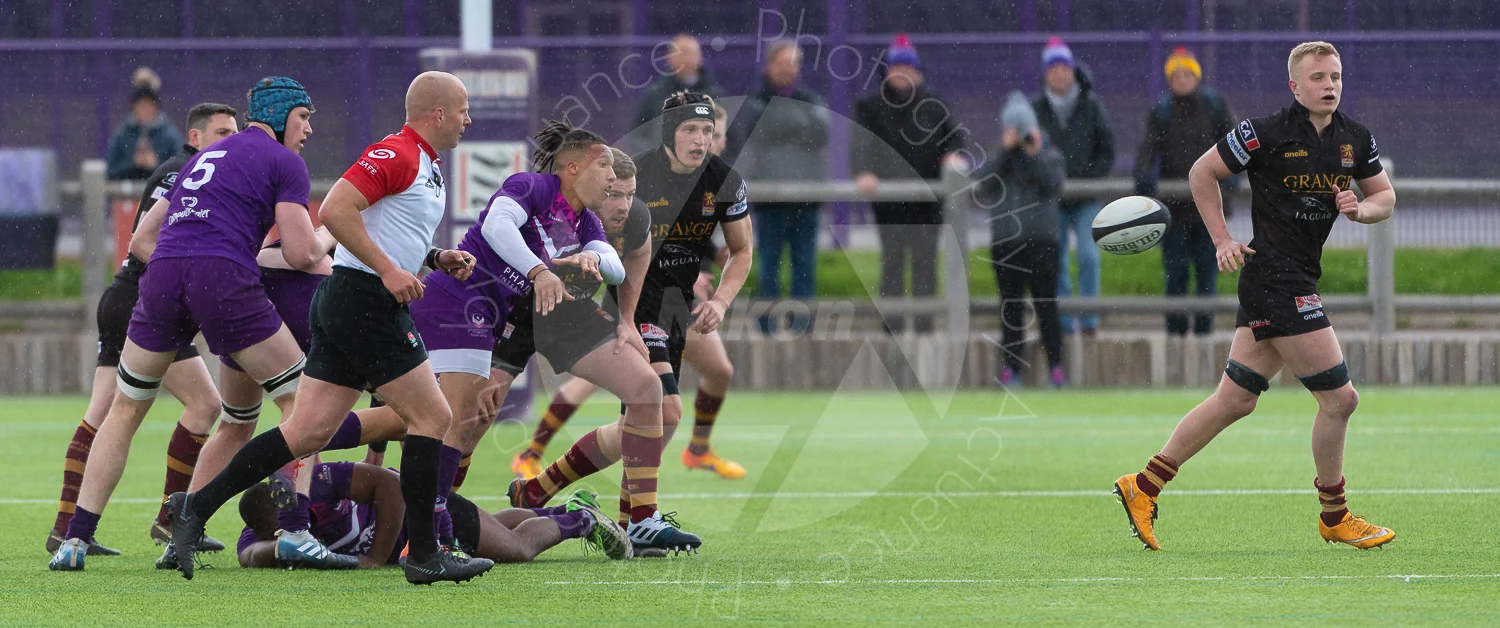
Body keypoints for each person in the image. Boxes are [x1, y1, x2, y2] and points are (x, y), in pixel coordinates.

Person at [163, 72, 492, 585]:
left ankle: (194, 509)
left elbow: (383, 223)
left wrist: (433, 257)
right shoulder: (397, 152)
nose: (469, 119)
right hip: (364, 302)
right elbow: (337, 210)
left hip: (350, 301)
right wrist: (387, 270)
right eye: (464, 109)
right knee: (433, 415)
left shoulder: (426, 164)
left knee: (306, 431)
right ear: (438, 114)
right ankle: (425, 554)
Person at [1113, 41, 1396, 551]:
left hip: (1290, 279)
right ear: (1294, 85)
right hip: (1276, 280)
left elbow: (1385, 197)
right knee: (1340, 400)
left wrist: (1361, 211)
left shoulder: (1355, 138)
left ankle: (1144, 485)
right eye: (1317, 77)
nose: (1329, 85)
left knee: (1235, 399)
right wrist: (1222, 239)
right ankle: (1335, 515)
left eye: (1335, 76)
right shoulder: (1263, 132)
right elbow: (1202, 173)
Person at [50, 78, 328, 573]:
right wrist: (331, 237)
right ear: (283, 115)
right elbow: (302, 252)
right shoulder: (286, 163)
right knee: (302, 404)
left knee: (128, 409)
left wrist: (189, 264)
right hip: (222, 278)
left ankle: (75, 540)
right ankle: (295, 530)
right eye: (304, 117)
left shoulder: (201, 158)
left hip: (161, 278)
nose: (309, 129)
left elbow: (142, 238)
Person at [403, 120, 684, 556]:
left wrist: (606, 279)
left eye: (625, 188)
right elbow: (497, 227)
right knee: (471, 419)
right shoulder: (532, 187)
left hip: (562, 310)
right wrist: (540, 271)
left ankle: (643, 520)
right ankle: (435, 522)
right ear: (573, 168)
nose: (618, 191)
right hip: (499, 310)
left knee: (648, 390)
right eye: (606, 172)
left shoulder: (594, 221)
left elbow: (621, 266)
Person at [507, 91, 753, 537]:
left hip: (678, 307)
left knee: (639, 423)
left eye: (708, 131)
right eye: (690, 130)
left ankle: (541, 490)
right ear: (668, 134)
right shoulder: (628, 174)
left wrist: (719, 301)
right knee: (666, 410)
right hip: (632, 303)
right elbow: (583, 220)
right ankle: (637, 519)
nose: (701, 139)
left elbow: (741, 251)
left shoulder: (726, 180)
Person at [46, 103, 238, 558]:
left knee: (105, 408)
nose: (231, 140)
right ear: (194, 137)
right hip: (141, 300)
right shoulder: (182, 174)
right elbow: (149, 243)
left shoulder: (194, 173)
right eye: (221, 132)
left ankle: (67, 528)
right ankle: (171, 521)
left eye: (235, 132)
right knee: (205, 404)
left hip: (124, 297)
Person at [235, 462, 629, 568]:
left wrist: (375, 558)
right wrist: (280, 547)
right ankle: (562, 509)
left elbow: (390, 483)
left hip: (422, 512)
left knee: (516, 549)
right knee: (495, 523)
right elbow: (250, 556)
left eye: (293, 506)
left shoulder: (317, 482)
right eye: (283, 518)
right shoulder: (261, 535)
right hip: (414, 531)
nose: (294, 516)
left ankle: (580, 519)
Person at [852, 35, 965, 333]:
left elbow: (954, 137)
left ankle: (924, 328)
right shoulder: (870, 106)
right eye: (896, 67)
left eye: (907, 67)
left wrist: (953, 156)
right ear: (887, 71)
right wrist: (863, 171)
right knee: (892, 265)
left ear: (918, 72)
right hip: (889, 204)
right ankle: (893, 329)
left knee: (925, 264)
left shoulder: (934, 104)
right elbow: (861, 144)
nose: (902, 73)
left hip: (927, 204)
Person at [727, 40, 828, 335]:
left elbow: (822, 130)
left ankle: (802, 326)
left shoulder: (811, 98)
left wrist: (786, 122)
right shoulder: (756, 101)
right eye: (781, 62)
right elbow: (763, 128)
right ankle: (766, 327)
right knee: (768, 264)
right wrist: (797, 122)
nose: (787, 69)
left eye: (792, 63)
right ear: (769, 65)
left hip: (807, 197)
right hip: (770, 198)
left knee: (804, 266)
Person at [1136, 46, 1237, 337]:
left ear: (1196, 76)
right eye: (1176, 74)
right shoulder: (1162, 110)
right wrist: (1144, 176)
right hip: (1174, 209)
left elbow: (1231, 143)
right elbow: (1148, 149)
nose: (1181, 79)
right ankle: (1176, 335)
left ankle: (1204, 335)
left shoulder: (1215, 105)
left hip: (1209, 210)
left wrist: (1230, 174)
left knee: (1207, 273)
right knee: (1176, 273)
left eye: (1186, 74)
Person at [979, 91, 1067, 389]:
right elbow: (983, 187)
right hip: (1006, 243)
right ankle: (1010, 369)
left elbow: (1054, 184)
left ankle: (1057, 368)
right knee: (1010, 308)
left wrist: (1035, 153)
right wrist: (1005, 152)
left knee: (1047, 307)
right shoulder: (998, 158)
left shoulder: (1049, 154)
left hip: (1043, 242)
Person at [1032, 36, 1115, 337]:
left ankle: (1089, 321)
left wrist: (1090, 180)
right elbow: (1029, 152)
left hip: (1085, 198)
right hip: (1051, 199)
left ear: (1072, 70)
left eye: (1064, 67)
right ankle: (1065, 323)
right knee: (1056, 262)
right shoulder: (1036, 108)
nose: (1059, 73)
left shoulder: (1091, 106)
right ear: (1045, 73)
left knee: (1089, 256)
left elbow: (1107, 149)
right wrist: (1046, 179)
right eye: (1053, 67)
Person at [632, 34, 725, 142]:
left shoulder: (717, 95)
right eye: (681, 54)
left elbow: (730, 138)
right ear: (670, 58)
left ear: (700, 57)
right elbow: (637, 136)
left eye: (690, 53)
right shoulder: (654, 95)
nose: (686, 59)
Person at [105, 68, 184, 180]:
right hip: (126, 195)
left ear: (156, 108)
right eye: (141, 106)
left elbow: (180, 172)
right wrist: (133, 164)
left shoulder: (170, 136)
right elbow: (110, 171)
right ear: (133, 108)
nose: (144, 111)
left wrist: (156, 166)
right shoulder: (122, 134)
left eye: (148, 106)